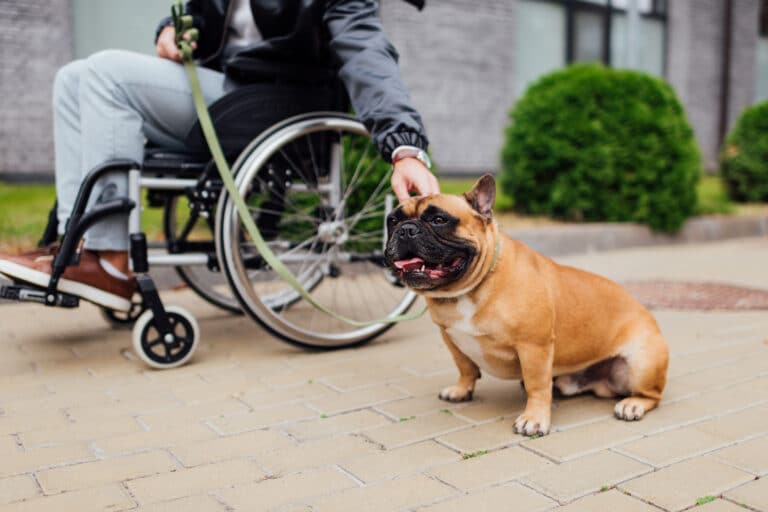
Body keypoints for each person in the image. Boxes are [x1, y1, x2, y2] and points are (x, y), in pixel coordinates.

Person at [0, 0, 438, 312]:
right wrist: (170, 31)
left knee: (101, 74)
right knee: (72, 76)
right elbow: (198, 15)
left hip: (271, 103)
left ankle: (111, 262)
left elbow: (367, 53)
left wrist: (404, 146)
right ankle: (76, 245)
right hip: (224, 91)